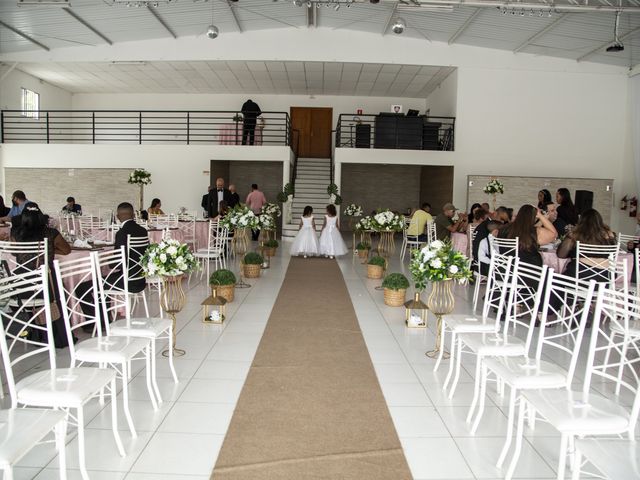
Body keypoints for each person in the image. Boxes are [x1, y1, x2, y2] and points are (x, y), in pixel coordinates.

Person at [75, 202, 148, 325]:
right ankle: (104, 319)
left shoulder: (122, 232)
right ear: (133, 215)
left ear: (118, 216)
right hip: (140, 279)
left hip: (127, 281)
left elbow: (119, 263)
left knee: (82, 288)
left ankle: (95, 323)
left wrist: (106, 263)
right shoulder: (142, 230)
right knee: (102, 282)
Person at [12, 203, 72, 348]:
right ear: (41, 216)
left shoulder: (15, 233)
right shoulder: (50, 233)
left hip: (21, 286)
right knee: (59, 285)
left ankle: (33, 332)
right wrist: (48, 250)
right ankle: (57, 336)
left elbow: (15, 252)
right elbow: (66, 250)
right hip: (45, 284)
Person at [557, 208, 616, 281]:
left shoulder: (575, 235)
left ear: (581, 221)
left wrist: (569, 236)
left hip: (579, 276)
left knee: (555, 280)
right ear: (600, 221)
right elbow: (613, 257)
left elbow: (561, 255)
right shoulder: (609, 236)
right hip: (606, 277)